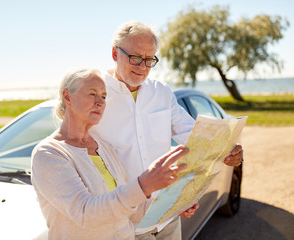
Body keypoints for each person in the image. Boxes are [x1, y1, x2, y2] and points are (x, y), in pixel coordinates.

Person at [90, 21, 244, 240]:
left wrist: (228, 149)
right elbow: (74, 150)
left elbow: (194, 136)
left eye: (149, 59)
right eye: (135, 57)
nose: (142, 67)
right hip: (121, 226)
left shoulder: (161, 93)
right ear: (115, 53)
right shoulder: (94, 94)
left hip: (166, 220)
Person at [31, 67, 190, 240]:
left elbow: (131, 210)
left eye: (104, 96)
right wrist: (143, 185)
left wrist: (173, 204)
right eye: (92, 94)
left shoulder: (103, 147)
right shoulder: (49, 153)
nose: (99, 102)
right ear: (67, 97)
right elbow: (85, 213)